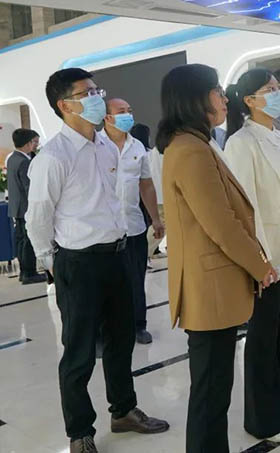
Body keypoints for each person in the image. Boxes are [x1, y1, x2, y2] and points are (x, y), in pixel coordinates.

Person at [26, 68, 169, 453]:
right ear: (64, 105)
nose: (96, 98)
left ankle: (123, 410)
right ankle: (80, 432)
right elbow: (38, 217)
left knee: (121, 342)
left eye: (96, 91)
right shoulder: (54, 156)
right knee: (79, 352)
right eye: (86, 93)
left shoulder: (107, 146)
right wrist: (52, 263)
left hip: (116, 256)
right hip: (79, 263)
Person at [156, 64, 277, 453]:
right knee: (211, 391)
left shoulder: (196, 143)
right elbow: (220, 223)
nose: (224, 99)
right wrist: (260, 266)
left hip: (214, 283)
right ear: (195, 98)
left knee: (214, 389)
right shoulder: (190, 150)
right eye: (217, 91)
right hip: (209, 288)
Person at [224, 68, 280, 444]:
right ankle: (263, 418)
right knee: (263, 336)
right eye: (270, 89)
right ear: (250, 101)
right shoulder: (241, 143)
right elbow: (245, 210)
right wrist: (259, 260)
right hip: (268, 253)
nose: (279, 94)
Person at [100, 100, 164, 345]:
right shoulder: (95, 145)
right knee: (106, 284)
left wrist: (155, 219)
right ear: (107, 117)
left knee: (136, 280)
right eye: (121, 112)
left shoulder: (137, 146)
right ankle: (106, 330)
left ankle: (138, 325)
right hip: (103, 231)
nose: (128, 115)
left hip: (134, 226)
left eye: (129, 111)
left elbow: (146, 184)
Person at [7, 128, 47, 285]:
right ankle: (29, 273)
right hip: (26, 207)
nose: (36, 145)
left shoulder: (13, 158)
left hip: (16, 206)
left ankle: (24, 272)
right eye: (34, 142)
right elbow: (29, 187)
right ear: (27, 143)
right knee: (28, 241)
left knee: (21, 240)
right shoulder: (24, 162)